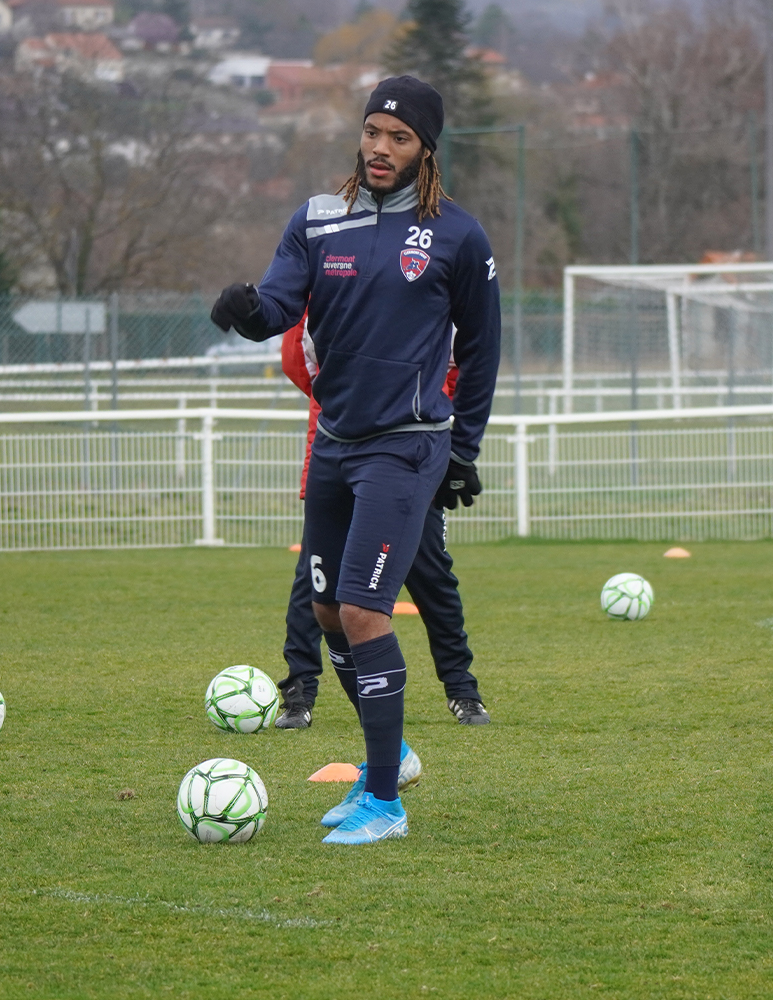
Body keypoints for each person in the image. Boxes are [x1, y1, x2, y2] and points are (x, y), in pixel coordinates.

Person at [209, 75, 501, 845]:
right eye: (372, 131)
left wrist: (463, 449)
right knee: (328, 609)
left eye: (399, 137)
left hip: (407, 445)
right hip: (334, 443)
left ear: (425, 150)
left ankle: (385, 804)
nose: (379, 147)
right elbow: (280, 305)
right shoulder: (315, 220)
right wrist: (247, 311)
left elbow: (482, 350)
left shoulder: (458, 236)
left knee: (368, 608)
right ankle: (388, 751)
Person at [274, 314, 491, 729]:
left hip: (410, 456)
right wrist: (354, 396)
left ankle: (462, 690)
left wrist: (428, 411)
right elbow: (298, 360)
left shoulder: (428, 288)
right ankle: (299, 694)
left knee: (431, 576)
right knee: (314, 584)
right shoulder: (326, 283)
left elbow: (463, 363)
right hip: (336, 455)